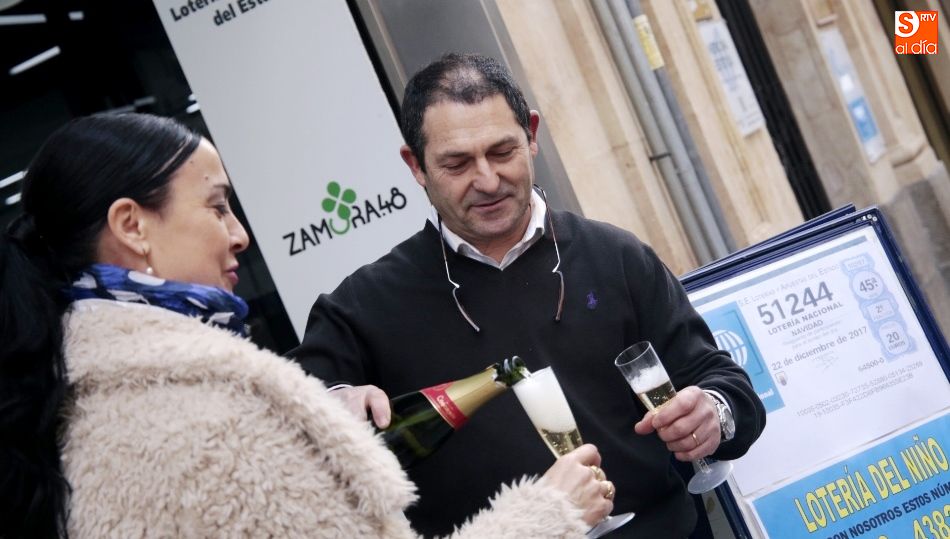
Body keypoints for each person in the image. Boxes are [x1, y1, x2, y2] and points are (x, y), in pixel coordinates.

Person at [0, 112, 613, 538]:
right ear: (133, 226)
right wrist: (548, 512)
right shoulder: (214, 414)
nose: (240, 234)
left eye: (500, 151)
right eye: (216, 207)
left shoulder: (77, 400)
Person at [290, 53, 767, 537]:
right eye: (457, 163)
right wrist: (334, 402)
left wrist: (714, 411)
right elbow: (290, 435)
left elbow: (727, 384)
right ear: (415, 166)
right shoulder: (363, 306)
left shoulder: (616, 256)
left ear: (532, 135)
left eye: (502, 152)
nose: (487, 180)